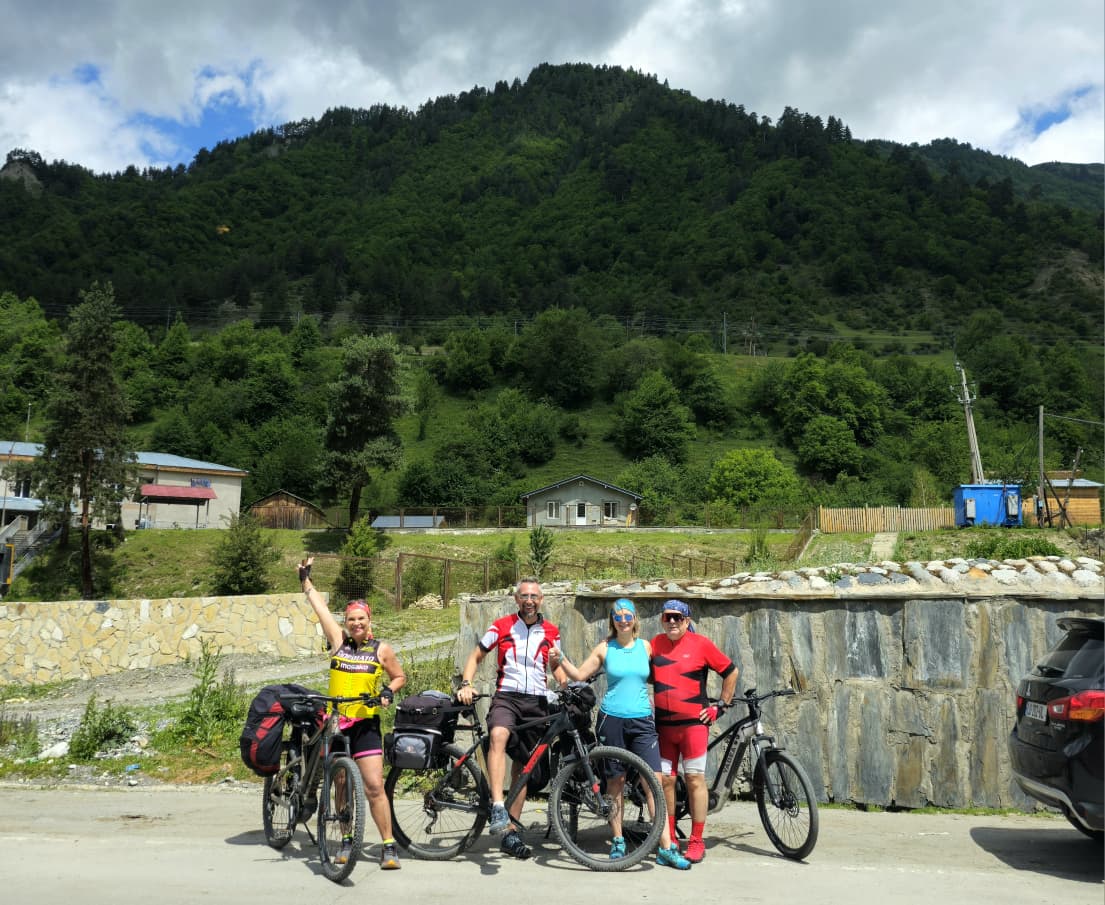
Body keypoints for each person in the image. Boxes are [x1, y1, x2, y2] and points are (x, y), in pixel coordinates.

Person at [549, 598, 692, 870]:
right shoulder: (605, 647)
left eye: (628, 616)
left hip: (642, 721)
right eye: (618, 616)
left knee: (654, 782)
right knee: (616, 782)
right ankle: (618, 841)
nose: (623, 620)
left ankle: (666, 847)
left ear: (634, 619)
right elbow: (579, 674)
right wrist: (561, 658)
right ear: (612, 620)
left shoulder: (646, 646)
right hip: (612, 720)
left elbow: (667, 669)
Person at [298, 556, 406, 870]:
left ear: (369, 620)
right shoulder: (338, 642)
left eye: (361, 619)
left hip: (366, 723)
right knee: (341, 784)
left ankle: (388, 845)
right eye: (351, 619)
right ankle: (346, 839)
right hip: (336, 724)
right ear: (345, 622)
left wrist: (388, 691)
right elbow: (320, 608)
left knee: (374, 786)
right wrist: (305, 580)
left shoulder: (381, 649)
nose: (356, 623)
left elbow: (399, 676)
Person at [456, 577, 567, 860]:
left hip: (537, 701)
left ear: (541, 600)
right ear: (517, 599)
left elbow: (555, 667)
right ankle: (497, 806)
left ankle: (510, 832)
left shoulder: (551, 631)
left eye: (534, 596)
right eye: (524, 596)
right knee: (498, 735)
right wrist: (466, 683)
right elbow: (476, 656)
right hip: (507, 696)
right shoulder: (501, 626)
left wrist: (567, 685)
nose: (529, 601)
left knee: (523, 766)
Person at [650, 599, 738, 864]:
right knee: (666, 781)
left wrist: (720, 706)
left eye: (677, 617)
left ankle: (697, 840)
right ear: (662, 620)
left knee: (694, 779)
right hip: (664, 727)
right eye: (667, 617)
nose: (672, 622)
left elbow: (731, 671)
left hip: (693, 727)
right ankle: (670, 838)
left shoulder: (701, 644)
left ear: (687, 620)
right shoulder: (654, 644)